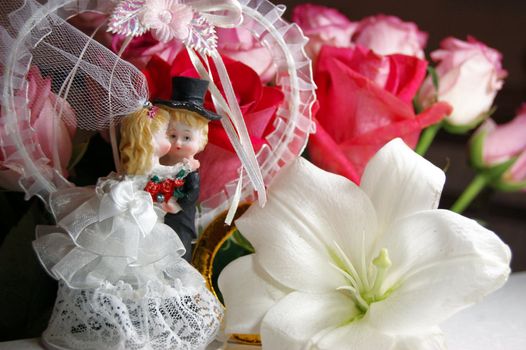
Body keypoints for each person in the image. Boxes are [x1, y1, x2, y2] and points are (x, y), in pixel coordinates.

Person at [32, 104, 222, 350]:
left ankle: (125, 326)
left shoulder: (138, 165)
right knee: (137, 270)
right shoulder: (146, 167)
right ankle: (127, 329)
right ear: (150, 139)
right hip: (132, 226)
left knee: (125, 273)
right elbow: (165, 175)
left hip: (134, 219)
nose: (172, 141)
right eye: (166, 135)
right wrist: (186, 166)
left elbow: (159, 182)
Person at [154, 76, 221, 262]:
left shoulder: (190, 170)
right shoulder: (160, 162)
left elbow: (192, 193)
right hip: (155, 210)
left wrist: (176, 204)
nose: (177, 143)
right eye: (172, 135)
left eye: (187, 138)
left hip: (178, 215)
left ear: (201, 141)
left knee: (178, 246)